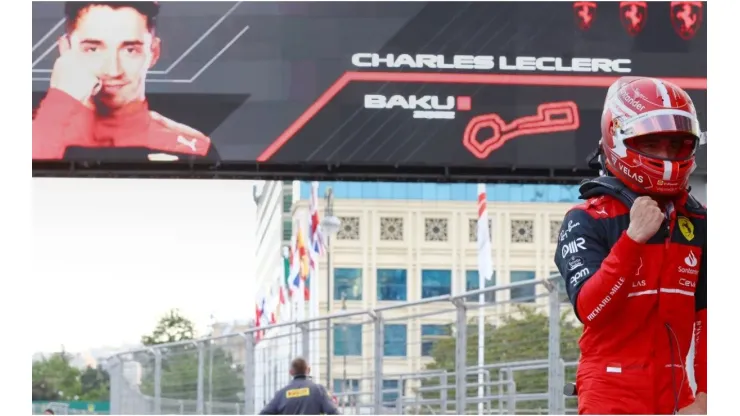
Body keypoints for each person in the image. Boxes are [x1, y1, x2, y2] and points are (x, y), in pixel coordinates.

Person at [554, 76, 706, 415]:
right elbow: (590, 310)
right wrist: (633, 239)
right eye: (652, 144)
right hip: (609, 394)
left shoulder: (699, 222)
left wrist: (707, 396)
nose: (666, 156)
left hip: (679, 396)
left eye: (676, 145)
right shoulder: (585, 219)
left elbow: (710, 315)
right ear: (618, 139)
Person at [32, 1, 219, 162]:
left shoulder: (190, 148)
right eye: (93, 49)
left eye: (130, 50)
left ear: (153, 52)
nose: (113, 70)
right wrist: (57, 106)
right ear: (65, 50)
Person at [260, 357, 340, 415]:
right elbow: (334, 412)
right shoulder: (319, 390)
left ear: (291, 372)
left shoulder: (281, 394)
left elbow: (264, 413)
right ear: (308, 370)